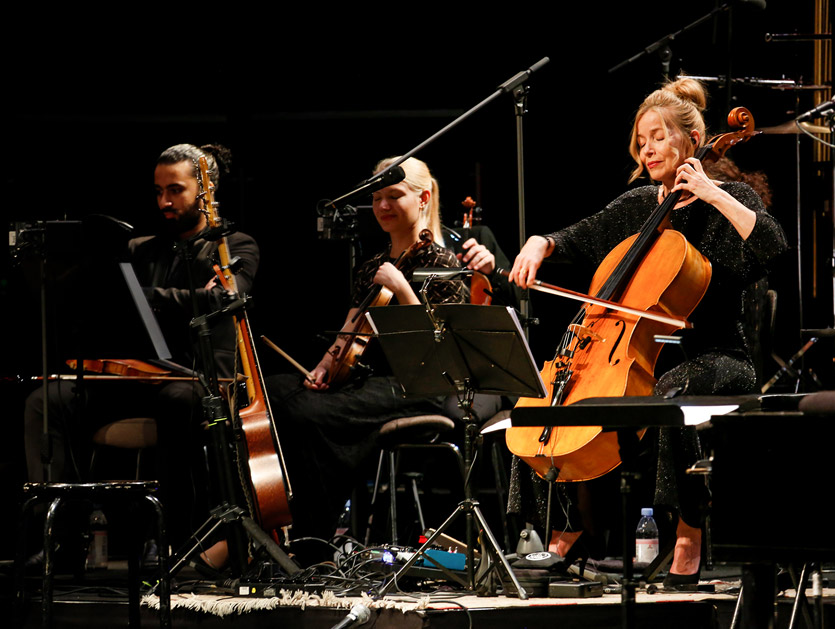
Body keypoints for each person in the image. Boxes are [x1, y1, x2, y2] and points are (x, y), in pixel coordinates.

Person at [507, 78, 788, 587]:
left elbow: (772, 245)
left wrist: (711, 192)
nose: (648, 148)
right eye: (641, 141)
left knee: (669, 393)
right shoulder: (640, 206)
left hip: (718, 354)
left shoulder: (730, 198)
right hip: (645, 352)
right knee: (549, 394)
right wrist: (541, 242)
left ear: (693, 139)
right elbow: (581, 235)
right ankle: (560, 536)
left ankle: (686, 534)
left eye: (658, 136)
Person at [23, 143, 259, 550]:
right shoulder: (139, 248)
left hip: (194, 378)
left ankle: (174, 538)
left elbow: (223, 297)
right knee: (46, 402)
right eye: (158, 191)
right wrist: (178, 296)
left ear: (206, 191)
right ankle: (59, 542)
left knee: (179, 401)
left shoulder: (233, 245)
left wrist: (147, 294)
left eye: (176, 190)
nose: (164, 201)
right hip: (133, 377)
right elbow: (116, 303)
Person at [266, 156, 470, 554]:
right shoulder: (372, 266)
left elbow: (440, 348)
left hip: (415, 385)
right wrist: (326, 364)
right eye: (376, 198)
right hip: (365, 383)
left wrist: (402, 287)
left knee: (308, 414)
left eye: (394, 195)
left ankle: (315, 538)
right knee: (274, 392)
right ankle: (276, 524)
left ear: (424, 198)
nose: (382, 207)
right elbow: (349, 329)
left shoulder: (443, 265)